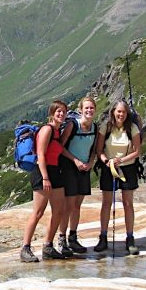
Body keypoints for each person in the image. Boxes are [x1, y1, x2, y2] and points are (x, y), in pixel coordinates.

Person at [92, 100, 142, 255]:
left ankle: (130, 237)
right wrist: (107, 161)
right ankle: (103, 236)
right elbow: (99, 150)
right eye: (118, 111)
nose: (121, 114)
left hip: (127, 168)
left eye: (124, 112)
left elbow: (137, 151)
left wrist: (120, 160)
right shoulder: (105, 127)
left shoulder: (132, 128)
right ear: (113, 112)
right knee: (106, 203)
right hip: (109, 167)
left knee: (128, 203)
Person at [20, 101, 68, 262]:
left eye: (64, 112)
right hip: (43, 172)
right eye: (58, 111)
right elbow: (40, 155)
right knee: (38, 212)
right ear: (52, 113)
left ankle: (48, 246)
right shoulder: (47, 130)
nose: (61, 114)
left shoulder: (57, 131)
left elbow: (60, 150)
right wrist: (45, 177)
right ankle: (25, 248)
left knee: (59, 210)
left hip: (55, 171)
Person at [56, 96, 98, 256]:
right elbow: (61, 146)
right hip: (70, 168)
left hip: (84, 169)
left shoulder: (94, 127)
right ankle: (62, 239)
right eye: (86, 108)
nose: (89, 111)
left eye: (91, 108)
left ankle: (72, 237)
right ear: (81, 110)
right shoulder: (73, 125)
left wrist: (90, 162)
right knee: (68, 206)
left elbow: (95, 149)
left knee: (76, 206)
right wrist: (75, 161)